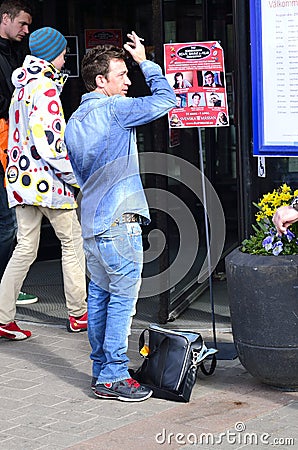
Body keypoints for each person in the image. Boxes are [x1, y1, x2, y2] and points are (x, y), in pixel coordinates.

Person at [64, 31, 176, 402]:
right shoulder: (114, 109)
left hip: (92, 223)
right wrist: (146, 61)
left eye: (130, 73)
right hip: (118, 223)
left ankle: (102, 370)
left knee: (99, 296)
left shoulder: (76, 118)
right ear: (101, 81)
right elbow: (166, 100)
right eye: (121, 75)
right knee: (123, 301)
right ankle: (113, 375)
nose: (128, 81)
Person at [0, 27, 88, 340]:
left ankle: (2, 317)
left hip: (21, 180)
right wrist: (75, 177)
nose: (66, 58)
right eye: (63, 53)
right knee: (72, 242)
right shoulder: (46, 88)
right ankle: (79, 313)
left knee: (24, 247)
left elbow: (16, 136)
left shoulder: (21, 88)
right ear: (52, 54)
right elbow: (51, 142)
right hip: (49, 183)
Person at [0, 0, 38, 306]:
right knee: (7, 222)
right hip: (3, 148)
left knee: (10, 222)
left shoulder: (16, 53)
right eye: (22, 24)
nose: (26, 30)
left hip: (12, 148)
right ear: (5, 19)